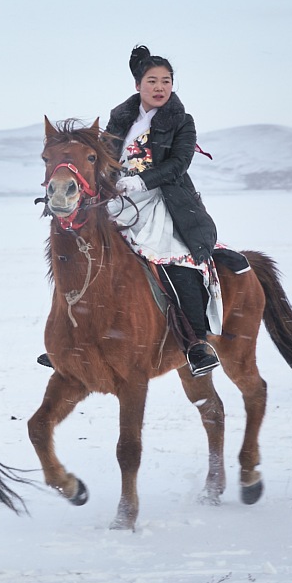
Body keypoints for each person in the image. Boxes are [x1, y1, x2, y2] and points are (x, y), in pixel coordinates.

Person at [103, 44, 223, 375]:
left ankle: (197, 344)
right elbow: (103, 159)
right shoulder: (119, 119)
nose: (160, 88)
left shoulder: (182, 121)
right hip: (117, 201)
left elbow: (179, 163)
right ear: (137, 85)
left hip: (163, 202)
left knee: (174, 260)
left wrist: (141, 182)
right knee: (79, 251)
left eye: (166, 81)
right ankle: (72, 338)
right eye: (152, 81)